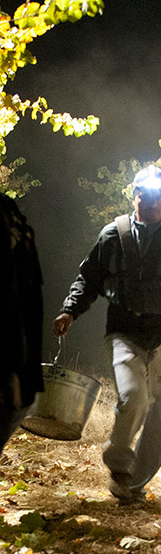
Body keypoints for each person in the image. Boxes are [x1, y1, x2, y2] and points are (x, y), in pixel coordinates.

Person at [53, 165, 161, 504]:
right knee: (134, 398)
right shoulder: (113, 236)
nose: (154, 203)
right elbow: (89, 279)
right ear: (135, 196)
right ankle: (119, 465)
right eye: (146, 195)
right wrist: (70, 310)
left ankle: (132, 485)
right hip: (123, 331)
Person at [0, 193, 43, 452]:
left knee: (13, 409)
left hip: (12, 345)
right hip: (11, 347)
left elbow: (29, 288)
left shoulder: (9, 212)